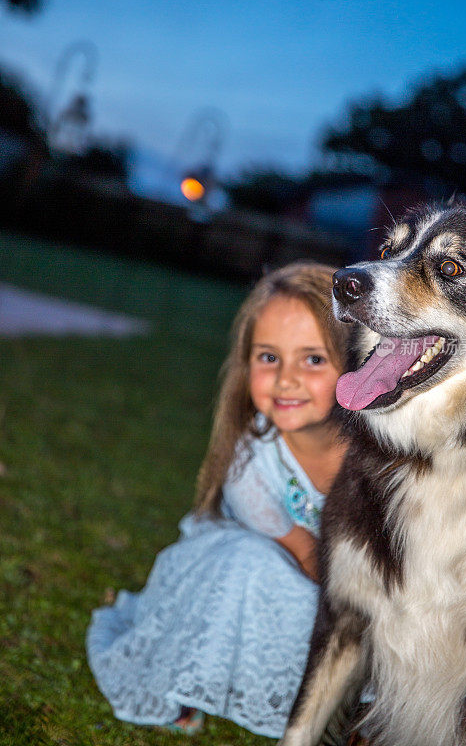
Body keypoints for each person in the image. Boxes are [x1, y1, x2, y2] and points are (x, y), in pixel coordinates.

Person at [86, 262, 349, 739]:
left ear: (359, 361)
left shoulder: (384, 458)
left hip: (334, 591)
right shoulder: (251, 461)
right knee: (257, 565)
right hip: (249, 582)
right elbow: (310, 563)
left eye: (313, 359)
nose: (286, 379)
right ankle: (185, 678)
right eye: (269, 357)